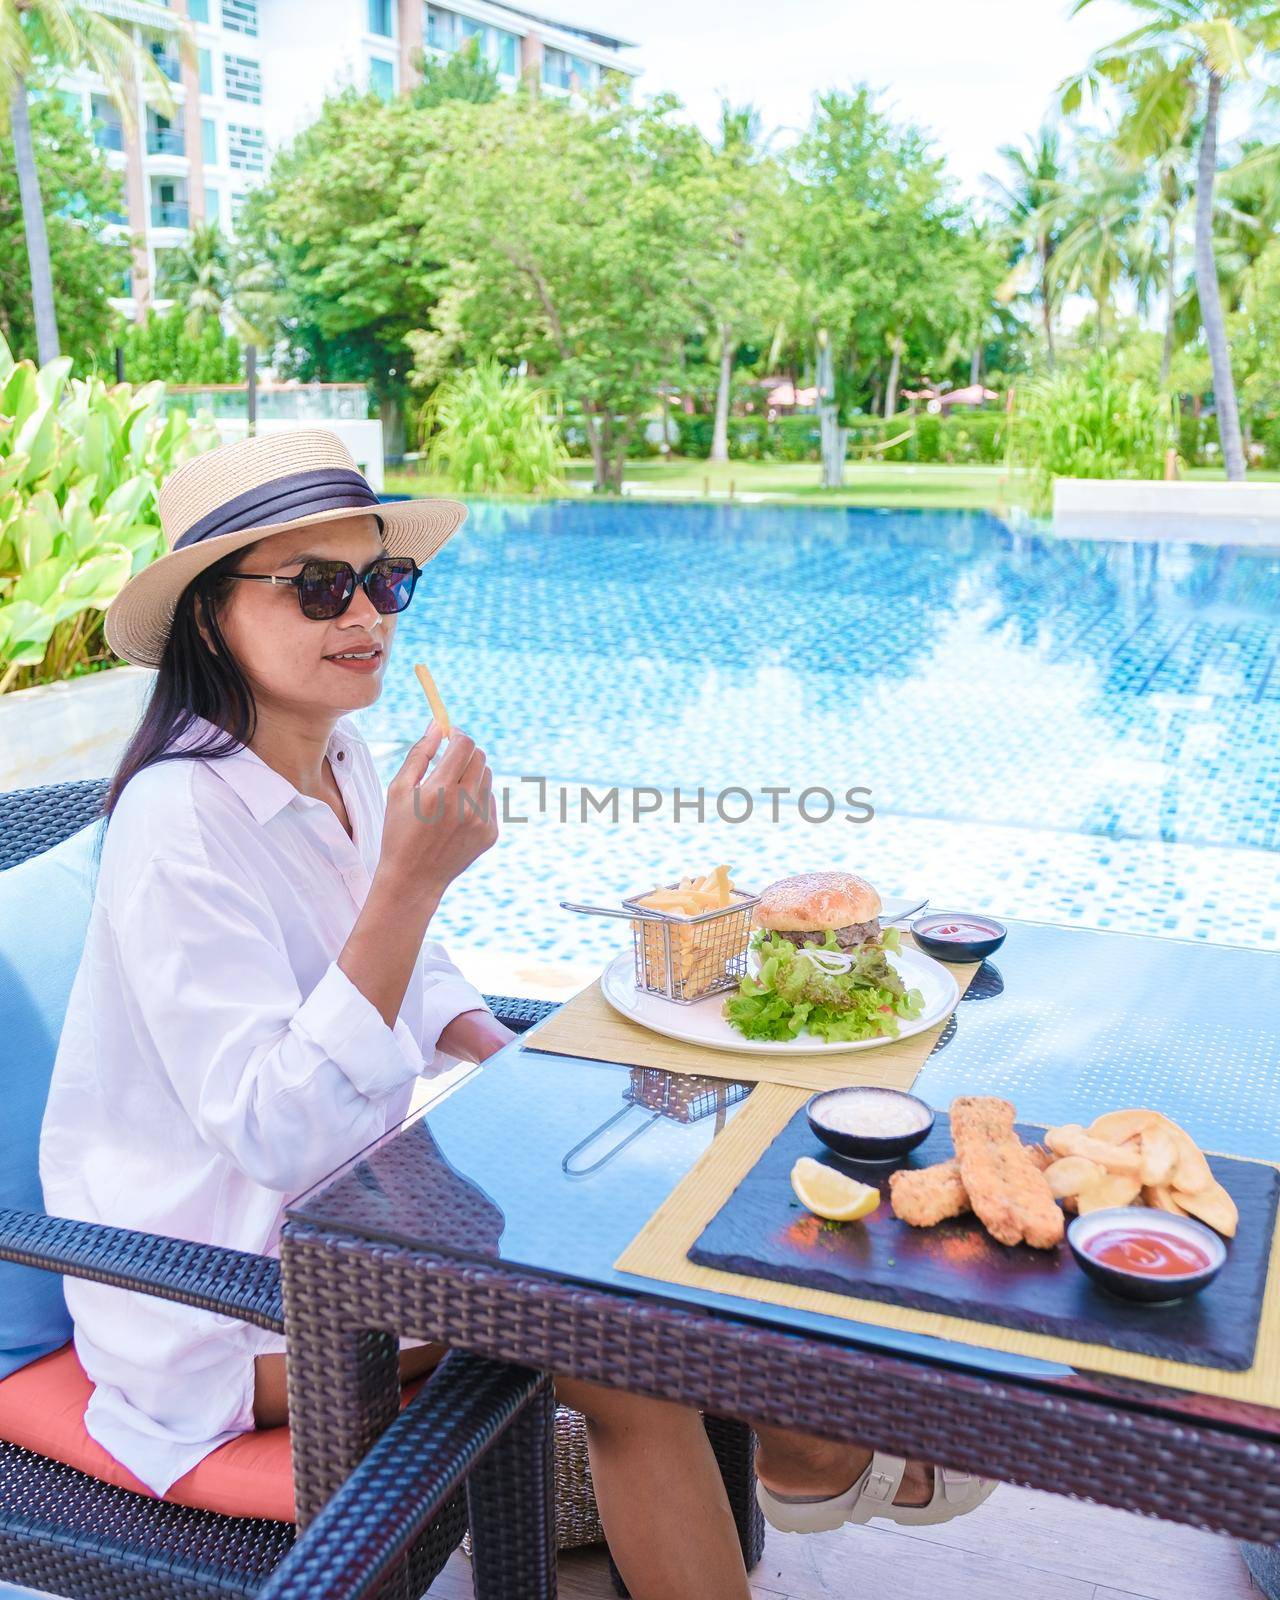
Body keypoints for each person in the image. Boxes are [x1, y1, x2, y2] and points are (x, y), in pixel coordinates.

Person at [40, 431, 994, 1600]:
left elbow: (411, 970)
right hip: (230, 1300)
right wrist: (412, 879)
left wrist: (495, 1045)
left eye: (385, 582)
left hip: (361, 1214)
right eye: (318, 587)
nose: (368, 617)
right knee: (622, 1343)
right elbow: (273, 1130)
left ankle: (814, 1450)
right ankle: (818, 1453)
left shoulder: (338, 755)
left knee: (663, 1215)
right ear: (205, 619)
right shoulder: (177, 821)